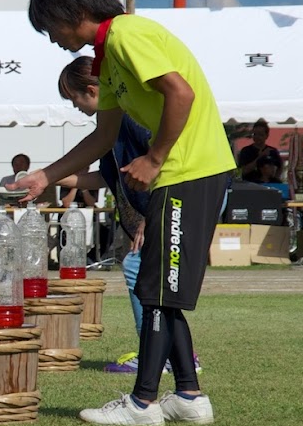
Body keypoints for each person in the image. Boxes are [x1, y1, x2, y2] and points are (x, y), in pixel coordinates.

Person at [22, 0, 233, 426]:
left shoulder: (126, 36)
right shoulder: (107, 56)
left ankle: (142, 404)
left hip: (188, 172)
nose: (51, 38)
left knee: (155, 289)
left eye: (50, 26)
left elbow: (180, 94)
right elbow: (104, 137)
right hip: (177, 175)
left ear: (74, 10)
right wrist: (46, 176)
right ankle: (190, 397)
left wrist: (155, 157)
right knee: (159, 289)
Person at [53, 57, 204, 377]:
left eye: (74, 99)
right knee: (157, 283)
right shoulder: (113, 124)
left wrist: (153, 218)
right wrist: (48, 177)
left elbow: (162, 166)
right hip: (161, 208)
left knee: (141, 269)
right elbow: (108, 178)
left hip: (170, 203)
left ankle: (158, 355)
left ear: (92, 90)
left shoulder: (129, 119)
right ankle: (180, 357)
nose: (75, 106)